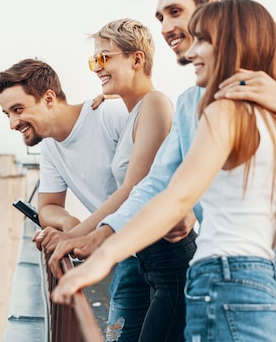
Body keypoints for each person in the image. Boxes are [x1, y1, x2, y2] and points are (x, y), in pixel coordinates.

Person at [49, 0, 276, 342]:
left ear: (213, 9)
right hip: (229, 282)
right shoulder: (191, 104)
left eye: (175, 12)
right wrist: (101, 237)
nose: (166, 27)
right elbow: (160, 188)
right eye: (160, 16)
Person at [34, 18, 193, 342]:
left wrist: (78, 236)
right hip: (145, 261)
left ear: (137, 59)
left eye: (104, 58)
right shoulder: (134, 111)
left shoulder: (156, 104)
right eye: (94, 60)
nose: (96, 67)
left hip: (171, 265)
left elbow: (134, 189)